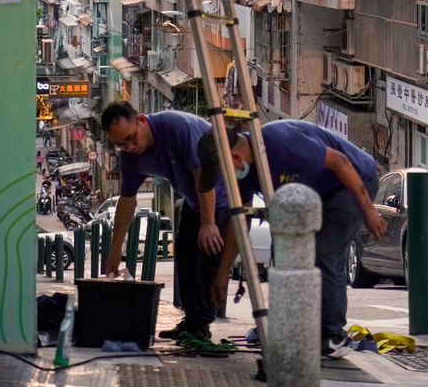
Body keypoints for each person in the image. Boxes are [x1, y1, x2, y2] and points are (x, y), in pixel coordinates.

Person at [197, 120, 388, 359]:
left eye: (222, 173)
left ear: (235, 158)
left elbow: (340, 163)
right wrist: (223, 273)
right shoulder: (245, 174)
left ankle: (333, 335)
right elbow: (240, 222)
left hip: (352, 180)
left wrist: (368, 210)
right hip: (315, 192)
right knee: (285, 249)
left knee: (325, 251)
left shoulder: (280, 142)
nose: (226, 179)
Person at [100, 101, 229, 341]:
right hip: (193, 201)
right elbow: (127, 202)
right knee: (185, 256)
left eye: (131, 138)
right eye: (120, 144)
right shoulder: (130, 157)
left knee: (207, 256)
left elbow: (204, 175)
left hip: (221, 195)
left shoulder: (176, 127)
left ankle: (200, 326)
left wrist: (209, 223)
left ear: (140, 120)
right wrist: (115, 251)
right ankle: (192, 321)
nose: (129, 147)